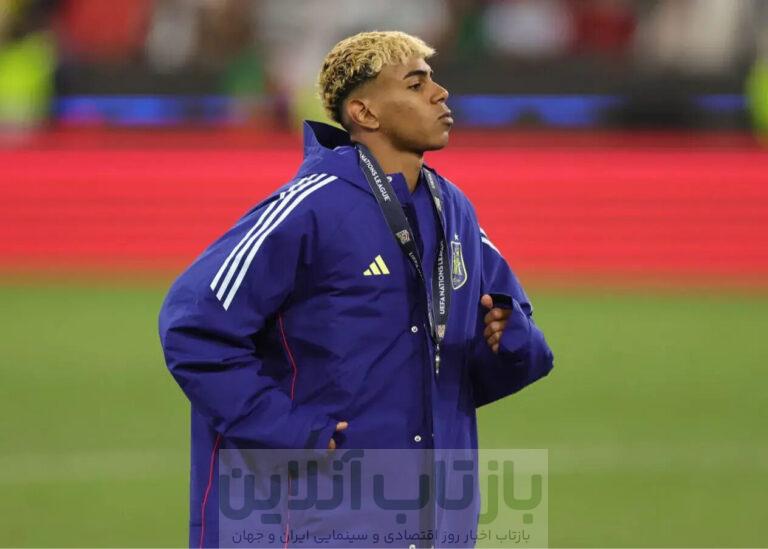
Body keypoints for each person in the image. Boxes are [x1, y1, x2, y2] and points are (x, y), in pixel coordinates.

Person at [158, 30, 554, 549]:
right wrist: (288, 433)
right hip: (314, 522)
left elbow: (496, 345)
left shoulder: (454, 209)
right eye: (415, 85)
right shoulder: (310, 207)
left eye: (433, 80)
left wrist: (513, 341)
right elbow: (192, 326)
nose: (440, 93)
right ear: (364, 112)